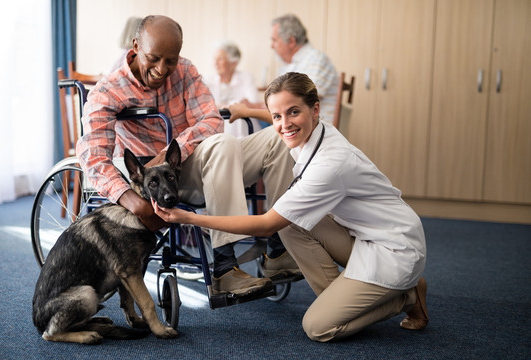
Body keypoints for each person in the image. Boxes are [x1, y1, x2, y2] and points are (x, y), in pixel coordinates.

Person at [153, 72, 429, 342]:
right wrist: (250, 110)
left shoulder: (329, 165)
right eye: (276, 116)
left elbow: (266, 224)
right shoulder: (314, 134)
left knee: (318, 327)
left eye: (294, 112)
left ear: (315, 109)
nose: (285, 124)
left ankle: (406, 295)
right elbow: (285, 122)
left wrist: (189, 217)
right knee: (293, 223)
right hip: (368, 235)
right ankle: (347, 300)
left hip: (394, 248)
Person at [76, 15, 299, 297]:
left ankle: (278, 250)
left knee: (279, 136)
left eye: (170, 60)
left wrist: (173, 151)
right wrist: (134, 201)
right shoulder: (108, 90)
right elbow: (93, 157)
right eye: (154, 58)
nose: (162, 69)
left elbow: (210, 119)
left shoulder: (185, 70)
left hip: (192, 162)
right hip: (159, 182)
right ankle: (225, 268)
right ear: (135, 46)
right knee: (223, 144)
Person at [203, 41, 264, 138]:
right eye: (215, 59)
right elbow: (204, 106)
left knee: (237, 112)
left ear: (233, 63)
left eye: (220, 59)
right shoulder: (207, 80)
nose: (215, 63)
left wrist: (229, 105)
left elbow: (252, 103)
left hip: (245, 126)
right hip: (217, 127)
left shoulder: (246, 78)